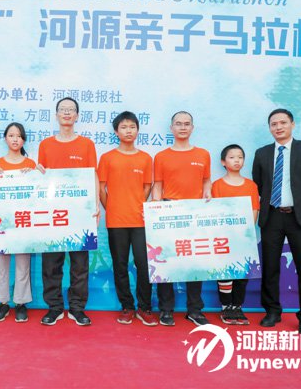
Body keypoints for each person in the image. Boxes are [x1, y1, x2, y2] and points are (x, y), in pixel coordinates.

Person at [252, 109, 301, 334]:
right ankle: (272, 311)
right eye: (274, 124)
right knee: (270, 267)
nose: (278, 127)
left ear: (292, 124)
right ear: (269, 128)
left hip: (299, 217)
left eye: (283, 122)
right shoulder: (262, 153)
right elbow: (259, 185)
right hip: (272, 216)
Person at [37, 97, 99, 326]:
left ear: (77, 116)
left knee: (79, 263)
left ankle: (77, 308)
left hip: (80, 212)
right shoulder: (45, 145)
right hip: (52, 212)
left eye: (71, 110)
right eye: (62, 109)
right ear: (56, 115)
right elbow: (41, 177)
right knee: (51, 263)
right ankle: (54, 307)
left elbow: (93, 175)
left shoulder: (86, 144)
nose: (66, 113)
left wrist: (95, 206)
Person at [151, 111, 211, 327]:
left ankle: (194, 310)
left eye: (186, 124)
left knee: (194, 262)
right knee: (166, 262)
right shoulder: (161, 156)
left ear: (192, 128)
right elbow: (157, 185)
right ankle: (166, 309)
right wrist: (156, 208)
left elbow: (206, 181)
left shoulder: (203, 154)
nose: (183, 127)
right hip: (169, 211)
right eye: (178, 124)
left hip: (195, 213)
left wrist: (207, 193)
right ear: (171, 128)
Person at [98, 112, 157, 326]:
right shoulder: (107, 158)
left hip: (140, 221)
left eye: (132, 127)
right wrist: (112, 208)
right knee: (120, 265)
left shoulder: (145, 158)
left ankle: (144, 307)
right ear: (116, 131)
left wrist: (137, 205)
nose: (128, 131)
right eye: (123, 127)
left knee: (144, 265)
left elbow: (147, 187)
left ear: (138, 130)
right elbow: (101, 188)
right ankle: (127, 307)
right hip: (116, 221)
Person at [0, 122, 36, 323]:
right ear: (5, 138)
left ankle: (21, 303)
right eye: (11, 135)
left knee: (23, 264)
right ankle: (2, 302)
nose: (15, 139)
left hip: (23, 222)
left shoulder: (30, 164)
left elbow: (37, 195)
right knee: (1, 263)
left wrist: (33, 176)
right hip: (2, 223)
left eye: (18, 136)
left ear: (23, 140)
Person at [211, 144, 260, 325]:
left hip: (244, 238)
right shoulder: (217, 186)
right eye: (232, 157)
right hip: (223, 238)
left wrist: (245, 232)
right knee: (225, 273)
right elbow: (213, 212)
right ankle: (226, 307)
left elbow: (254, 210)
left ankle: (237, 306)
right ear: (223, 162)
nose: (236, 160)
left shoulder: (251, 185)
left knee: (241, 274)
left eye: (240, 157)